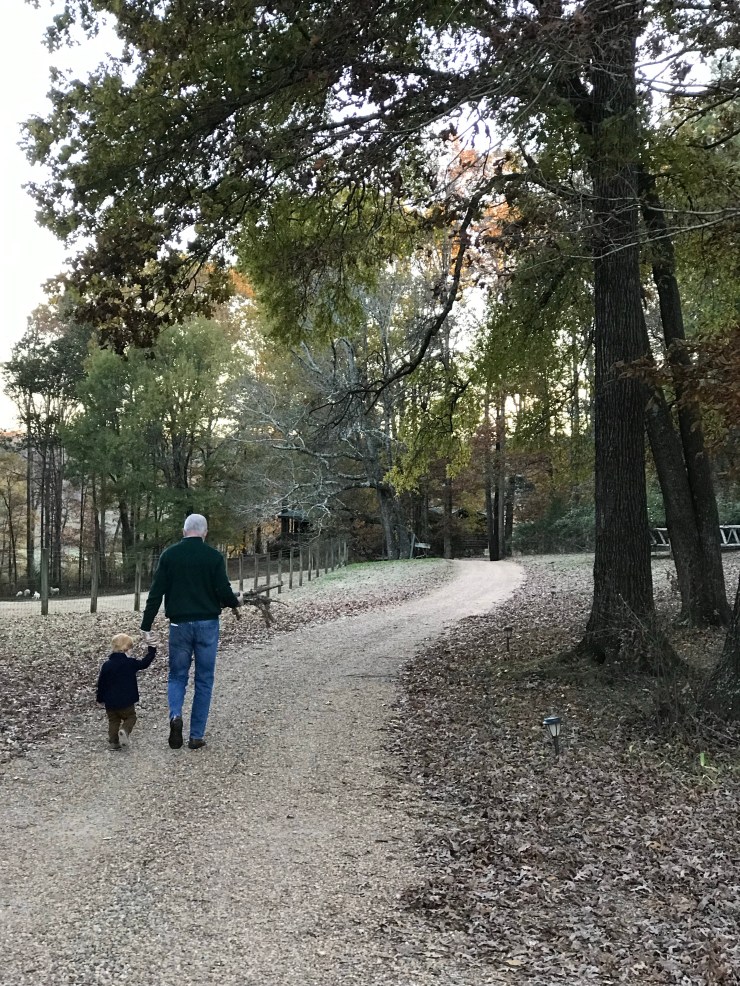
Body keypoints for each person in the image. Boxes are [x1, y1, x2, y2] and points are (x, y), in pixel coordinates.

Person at [140, 513, 242, 751]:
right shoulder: (214, 557)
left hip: (179, 626)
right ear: (205, 532)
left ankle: (176, 715)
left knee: (177, 676)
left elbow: (156, 593)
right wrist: (236, 601)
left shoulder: (169, 555)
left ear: (184, 531)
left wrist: (146, 626)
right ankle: (196, 736)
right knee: (204, 679)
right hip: (207, 625)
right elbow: (224, 591)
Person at [96, 632, 157, 750]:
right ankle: (124, 730)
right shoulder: (130, 663)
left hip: (110, 702)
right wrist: (152, 650)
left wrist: (100, 699)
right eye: (131, 648)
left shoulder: (107, 665)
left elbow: (101, 683)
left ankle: (114, 742)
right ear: (126, 649)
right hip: (126, 701)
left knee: (113, 720)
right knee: (131, 717)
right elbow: (144, 663)